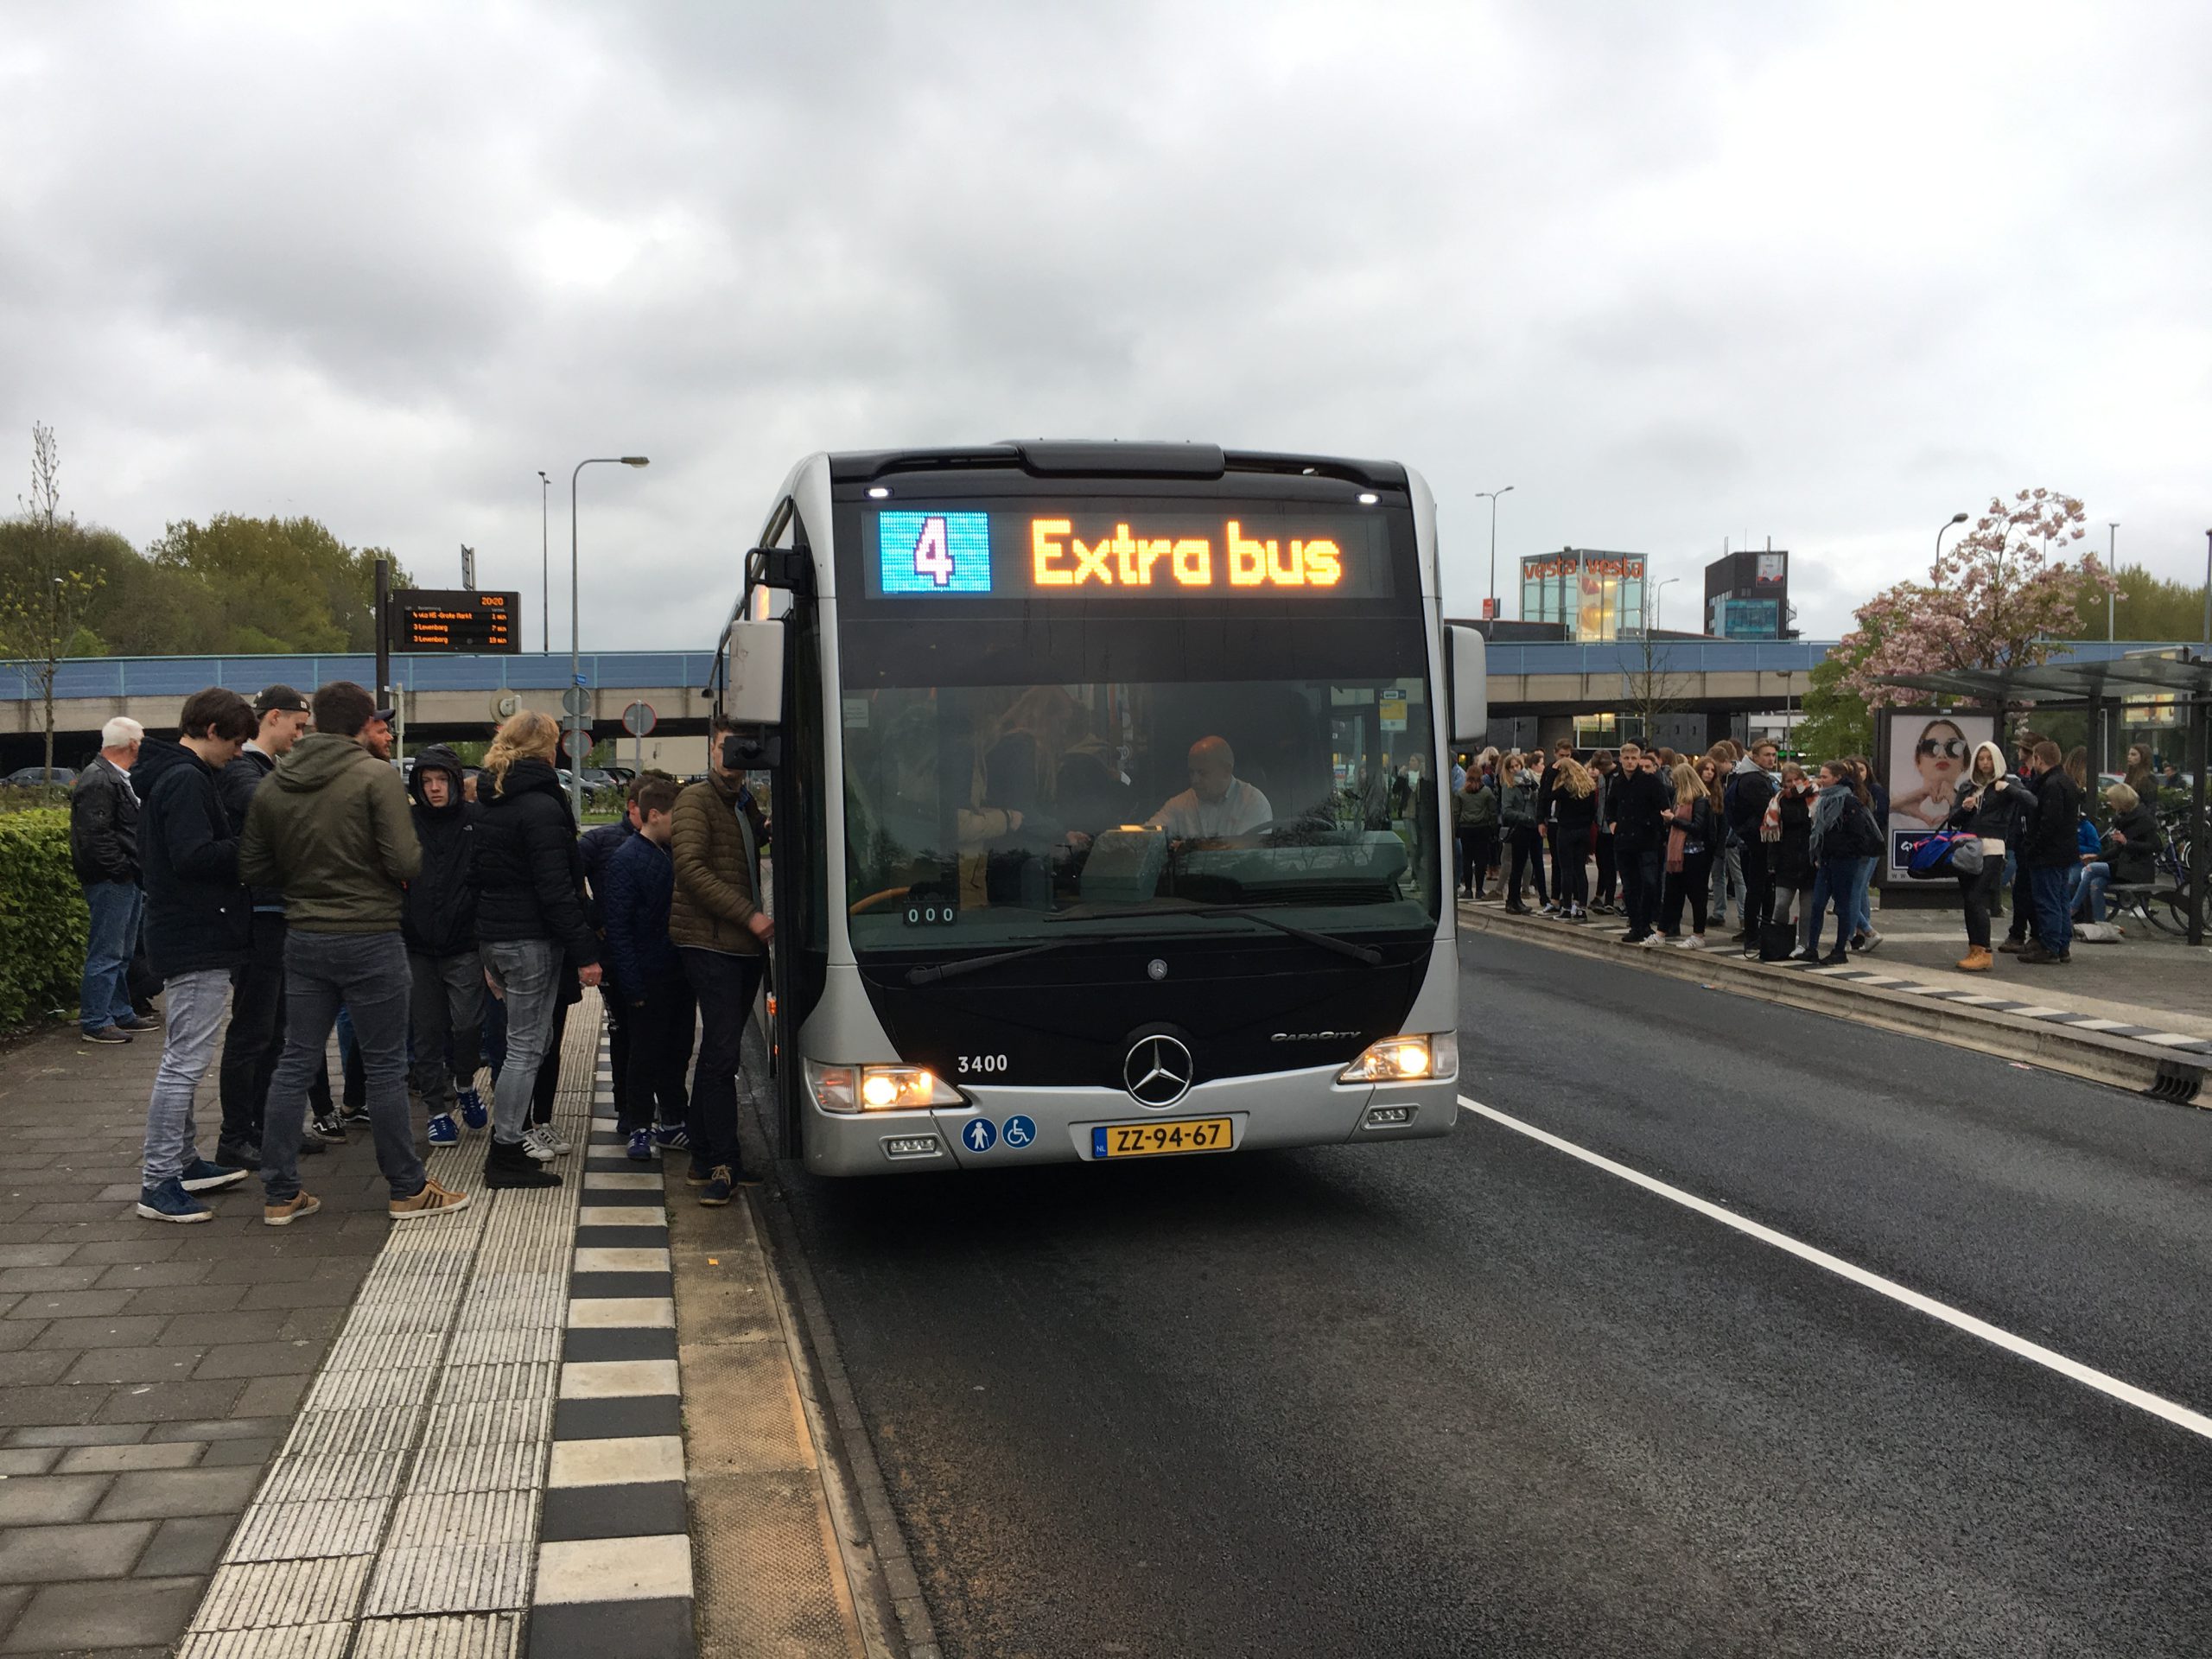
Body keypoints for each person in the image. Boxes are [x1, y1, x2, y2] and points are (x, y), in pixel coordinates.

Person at [243, 680, 469, 1224]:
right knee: (387, 1066)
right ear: (365, 721)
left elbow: (252, 868)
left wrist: (304, 881)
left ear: (316, 720)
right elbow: (406, 861)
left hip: (304, 937)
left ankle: (280, 1193)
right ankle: (407, 1188)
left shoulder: (274, 784)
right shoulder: (374, 777)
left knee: (295, 1059)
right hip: (371, 937)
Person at [130, 690, 258, 1222]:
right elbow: (193, 856)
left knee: (181, 1056)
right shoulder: (185, 780)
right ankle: (159, 1180)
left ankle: (182, 1161)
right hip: (195, 933)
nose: (237, 752)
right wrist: (252, 848)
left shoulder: (173, 774)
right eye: (233, 741)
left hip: (184, 931)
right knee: (184, 1062)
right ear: (209, 730)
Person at [474, 711, 601, 1187]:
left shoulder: (487, 801)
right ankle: (506, 1152)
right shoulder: (543, 807)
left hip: (497, 937)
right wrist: (587, 952)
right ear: (548, 749)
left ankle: (509, 1142)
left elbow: (475, 879)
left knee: (531, 1042)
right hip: (531, 940)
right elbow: (557, 889)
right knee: (525, 1049)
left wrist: (484, 947)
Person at [213, 685, 335, 1169]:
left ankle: (268, 1125)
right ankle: (235, 1135)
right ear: (275, 717)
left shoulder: (265, 771)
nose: (301, 736)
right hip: (260, 916)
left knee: (278, 1029)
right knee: (253, 1030)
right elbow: (277, 817)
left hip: (278, 913)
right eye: (299, 727)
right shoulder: (245, 771)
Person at [673, 715, 774, 1205]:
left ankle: (700, 1159)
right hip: (712, 943)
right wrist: (750, 916)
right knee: (720, 1055)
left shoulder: (743, 803)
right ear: (711, 751)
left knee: (720, 1051)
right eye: (725, 747)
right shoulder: (696, 799)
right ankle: (723, 1164)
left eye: (743, 748)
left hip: (739, 948)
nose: (733, 756)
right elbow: (689, 867)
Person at [602, 778, 696, 1161]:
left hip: (676, 972)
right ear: (654, 815)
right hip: (648, 974)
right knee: (645, 1053)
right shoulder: (627, 859)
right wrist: (632, 984)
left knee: (678, 1049)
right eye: (675, 817)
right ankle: (641, 1125)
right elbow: (619, 927)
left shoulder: (668, 853)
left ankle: (673, 1121)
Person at [403, 745, 486, 1147]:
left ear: (455, 782)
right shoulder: (407, 821)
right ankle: (437, 1110)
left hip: (464, 943)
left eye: (441, 781)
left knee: (468, 1023)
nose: (434, 789)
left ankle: (466, 1082)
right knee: (427, 1031)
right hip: (417, 945)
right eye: (426, 782)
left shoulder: (475, 821)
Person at [71, 715, 149, 1046]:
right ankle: (96, 1020)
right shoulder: (101, 780)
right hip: (112, 879)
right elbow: (95, 836)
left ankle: (118, 1012)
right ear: (131, 743)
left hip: (121, 877)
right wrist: (121, 870)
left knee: (120, 951)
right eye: (141, 740)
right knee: (107, 951)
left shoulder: (107, 776)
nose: (142, 745)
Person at [1947, 741, 2032, 973]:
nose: (1985, 763)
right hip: (1968, 845)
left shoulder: (2008, 783)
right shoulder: (1968, 787)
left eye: (1989, 759)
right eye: (1981, 759)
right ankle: (1974, 948)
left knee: (1977, 897)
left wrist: (2008, 789)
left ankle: (1984, 951)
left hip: (1992, 846)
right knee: (1969, 899)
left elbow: (2031, 802)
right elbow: (1952, 820)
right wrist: (1965, 809)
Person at [1808, 760, 1881, 965]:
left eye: (1825, 777)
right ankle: (1811, 948)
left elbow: (1858, 835)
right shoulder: (1823, 800)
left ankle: (1840, 950)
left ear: (1837, 778)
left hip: (1844, 861)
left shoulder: (1848, 801)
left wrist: (1841, 850)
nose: (1821, 781)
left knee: (1843, 906)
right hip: (1826, 860)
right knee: (1817, 904)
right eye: (1820, 776)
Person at [2020, 738, 2080, 964]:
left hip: (2048, 853)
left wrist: (2032, 846)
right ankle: (2062, 944)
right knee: (2061, 898)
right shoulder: (2066, 781)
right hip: (2064, 851)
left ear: (2038, 759)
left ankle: (2049, 945)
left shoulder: (2050, 785)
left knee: (2047, 900)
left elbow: (2048, 823)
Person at [1151, 735, 1273, 838]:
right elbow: (1147, 837)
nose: (1194, 780)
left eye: (1202, 773)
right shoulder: (1179, 805)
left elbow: (1249, 858)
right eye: (1191, 772)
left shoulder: (1253, 803)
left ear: (1226, 771)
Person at [1609, 743, 1669, 944]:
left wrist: (1656, 829)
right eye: (1626, 758)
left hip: (1646, 840)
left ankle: (1645, 923)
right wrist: (1612, 823)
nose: (1630, 762)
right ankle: (1636, 924)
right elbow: (1611, 805)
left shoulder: (1650, 782)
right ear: (1620, 759)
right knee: (1630, 885)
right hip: (1624, 840)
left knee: (1649, 882)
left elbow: (1664, 807)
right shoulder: (1617, 782)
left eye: (1634, 758)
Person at [1656, 762, 1717, 947]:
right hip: (1678, 854)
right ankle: (1660, 933)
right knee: (1672, 895)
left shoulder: (1701, 801)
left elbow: (1698, 828)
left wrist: (1674, 820)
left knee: (1697, 896)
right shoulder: (1680, 800)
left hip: (1695, 855)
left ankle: (1698, 934)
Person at [1726, 740, 1780, 945]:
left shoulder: (1754, 777)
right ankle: (1754, 933)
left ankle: (1758, 930)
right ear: (1755, 757)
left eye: (1773, 755)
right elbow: (1766, 809)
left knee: (1762, 887)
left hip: (1753, 839)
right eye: (1767, 755)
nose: (1771, 759)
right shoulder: (1752, 780)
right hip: (1757, 840)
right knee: (1759, 888)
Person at [1763, 763, 1818, 957]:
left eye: (1797, 779)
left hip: (1810, 860)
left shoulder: (1814, 798)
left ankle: (1804, 944)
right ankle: (1779, 941)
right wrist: (1772, 863)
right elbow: (1773, 836)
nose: (1793, 784)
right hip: (1786, 859)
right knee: (1781, 904)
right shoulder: (1778, 802)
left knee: (1808, 908)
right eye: (1788, 781)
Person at [2092, 783, 2158, 918]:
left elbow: (2154, 846)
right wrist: (2099, 857)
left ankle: (2074, 908)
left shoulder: (2144, 820)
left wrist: (2127, 842)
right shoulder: (2124, 819)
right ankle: (2099, 921)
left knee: (2090, 870)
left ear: (2121, 802)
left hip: (2136, 869)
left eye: (2112, 801)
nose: (2110, 804)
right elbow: (2118, 849)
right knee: (2095, 883)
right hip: (2123, 865)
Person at [1891, 717, 1970, 829]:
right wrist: (1895, 805)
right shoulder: (1899, 811)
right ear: (1918, 761)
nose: (1941, 755)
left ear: (1964, 762)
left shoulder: (1975, 801)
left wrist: (1957, 805)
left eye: (1953, 747)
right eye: (1930, 747)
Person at [1549, 756, 1599, 921]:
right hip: (1583, 830)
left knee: (1566, 870)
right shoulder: (1590, 788)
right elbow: (1593, 811)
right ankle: (1581, 908)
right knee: (1580, 870)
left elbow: (1547, 796)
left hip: (1566, 830)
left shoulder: (1565, 789)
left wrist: (1551, 774)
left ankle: (1566, 907)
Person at [1847, 756, 1885, 951]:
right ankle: (1862, 931)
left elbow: (1880, 816)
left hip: (1865, 848)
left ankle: (1863, 930)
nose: (1860, 774)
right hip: (1865, 848)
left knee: (1853, 892)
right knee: (1858, 891)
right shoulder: (1856, 792)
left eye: (1862, 769)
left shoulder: (1872, 791)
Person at [1499, 754, 1545, 914]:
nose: (1515, 769)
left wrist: (1534, 788)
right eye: (1511, 767)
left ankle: (1516, 899)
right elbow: (1506, 811)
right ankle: (1512, 900)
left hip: (1531, 827)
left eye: (1517, 766)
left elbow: (1537, 801)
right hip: (1520, 827)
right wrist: (1525, 817)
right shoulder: (1509, 786)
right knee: (1517, 865)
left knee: (1526, 863)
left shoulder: (1527, 783)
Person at [1453, 766, 1497, 900]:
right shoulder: (1487, 792)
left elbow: (1456, 813)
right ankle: (1479, 889)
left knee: (1467, 858)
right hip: (1482, 827)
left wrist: (1456, 829)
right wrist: (1493, 829)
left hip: (1466, 828)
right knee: (1481, 860)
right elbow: (1492, 812)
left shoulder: (1461, 793)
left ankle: (1467, 889)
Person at [1589, 750, 1619, 913]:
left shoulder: (1619, 776)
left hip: (1613, 827)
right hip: (1601, 825)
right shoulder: (1601, 777)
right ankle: (1599, 896)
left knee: (1611, 865)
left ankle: (1609, 899)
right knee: (1601, 863)